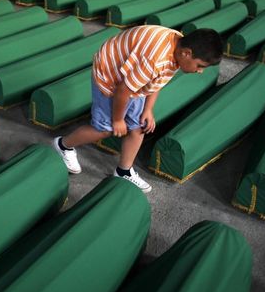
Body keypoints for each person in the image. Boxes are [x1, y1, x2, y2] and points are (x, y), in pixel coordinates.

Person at [53, 26, 223, 193]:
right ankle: (63, 145)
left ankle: (123, 171)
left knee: (138, 126)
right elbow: (122, 91)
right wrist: (118, 120)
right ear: (187, 53)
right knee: (106, 129)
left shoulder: (178, 46)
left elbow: (157, 82)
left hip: (132, 76)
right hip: (110, 74)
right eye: (200, 66)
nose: (200, 71)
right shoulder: (155, 60)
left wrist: (148, 109)